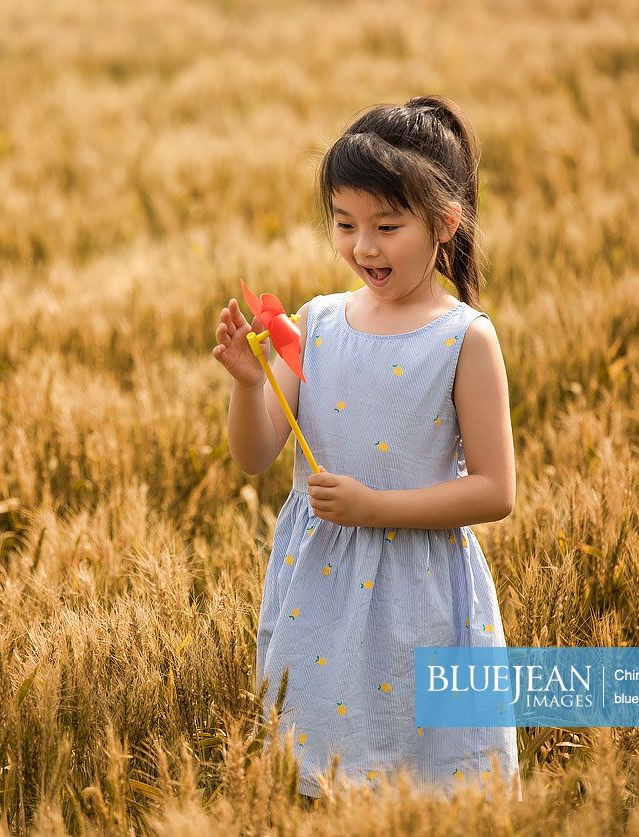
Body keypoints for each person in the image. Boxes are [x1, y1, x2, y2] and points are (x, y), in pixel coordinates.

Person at [211, 95, 519, 800]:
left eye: (386, 226)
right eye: (344, 225)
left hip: (420, 592)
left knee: (428, 776)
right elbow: (255, 453)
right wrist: (245, 384)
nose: (363, 247)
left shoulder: (463, 339)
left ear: (444, 223)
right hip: (319, 590)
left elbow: (495, 490)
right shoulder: (314, 324)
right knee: (319, 771)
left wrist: (375, 504)